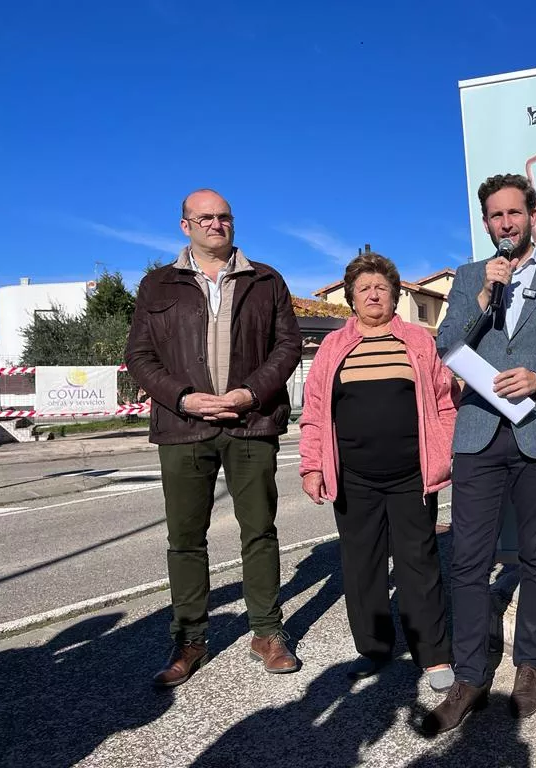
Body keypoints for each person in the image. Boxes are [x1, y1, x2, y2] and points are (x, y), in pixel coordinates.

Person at [423, 173, 536, 735]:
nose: (505, 223)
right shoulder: (472, 277)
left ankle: (530, 666)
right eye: (495, 216)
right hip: (478, 436)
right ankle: (470, 675)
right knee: (470, 560)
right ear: (486, 223)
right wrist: (479, 300)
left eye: (514, 214)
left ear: (532, 215)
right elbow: (444, 344)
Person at [125, 188, 302, 686]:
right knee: (185, 539)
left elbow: (287, 346)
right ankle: (189, 641)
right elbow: (139, 356)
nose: (216, 225)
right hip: (184, 427)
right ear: (185, 225)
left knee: (259, 532)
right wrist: (183, 397)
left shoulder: (266, 280)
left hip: (251, 423)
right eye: (204, 218)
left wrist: (249, 393)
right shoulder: (157, 285)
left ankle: (267, 631)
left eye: (224, 217)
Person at [298, 251, 457, 693]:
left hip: (412, 475)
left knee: (418, 564)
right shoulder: (333, 347)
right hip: (354, 478)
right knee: (362, 567)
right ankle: (374, 649)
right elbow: (314, 412)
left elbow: (446, 402)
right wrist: (312, 466)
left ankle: (434, 655)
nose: (373, 294)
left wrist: (443, 453)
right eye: (364, 288)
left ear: (394, 296)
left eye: (381, 288)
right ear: (351, 298)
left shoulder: (419, 342)